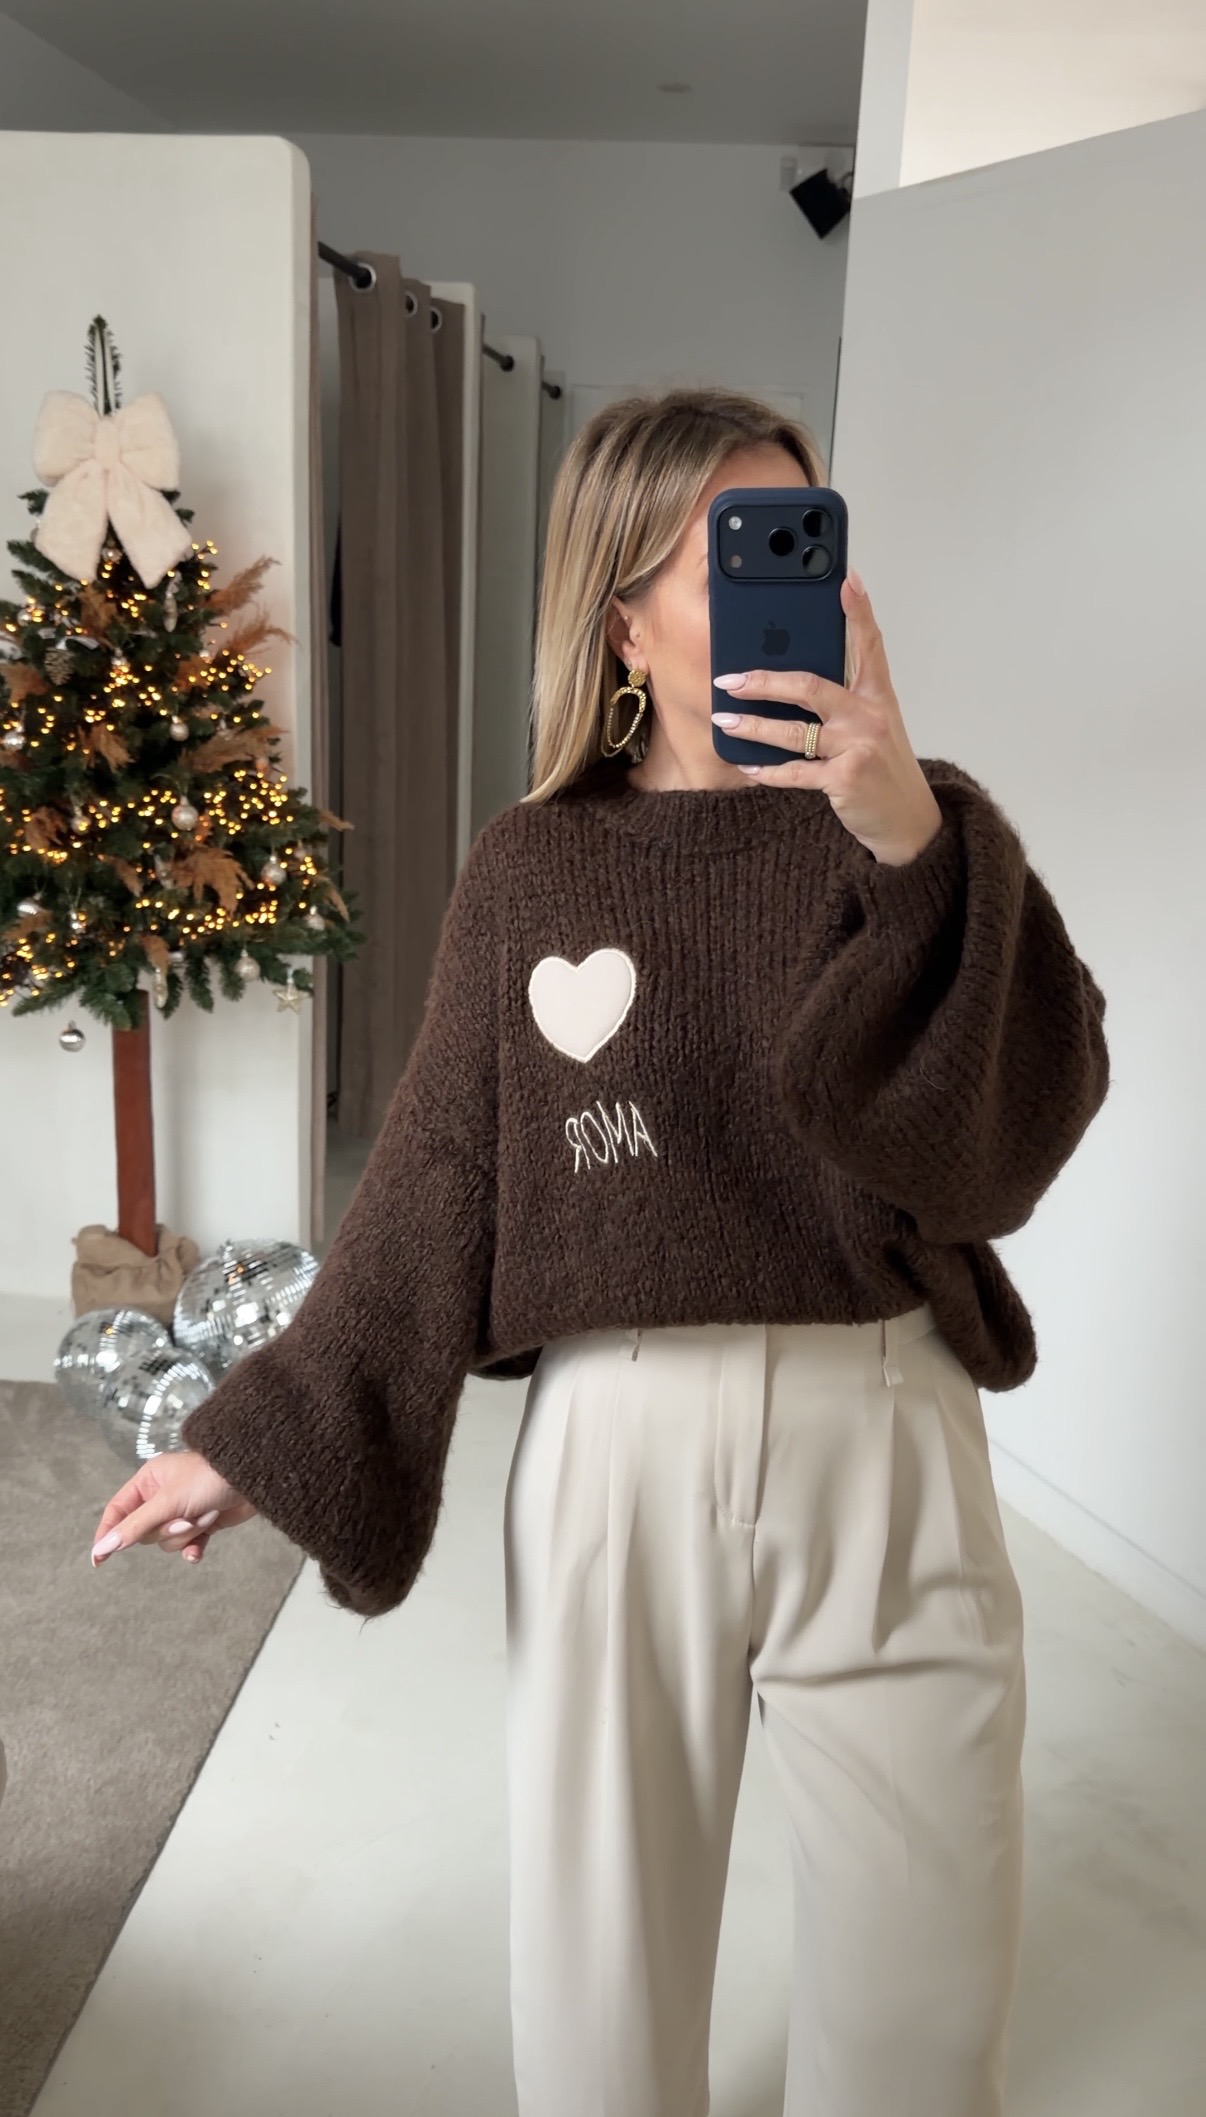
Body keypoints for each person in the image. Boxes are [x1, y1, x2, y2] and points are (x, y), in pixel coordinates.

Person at [90, 385, 1110, 2117]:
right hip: (615, 1456)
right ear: (624, 615)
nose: (794, 582)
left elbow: (1015, 1134)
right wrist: (256, 1438)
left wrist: (912, 848)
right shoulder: (536, 867)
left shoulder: (925, 837)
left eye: (804, 539)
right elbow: (439, 1171)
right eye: (734, 550)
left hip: (889, 1443)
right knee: (601, 2007)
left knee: (926, 2018)